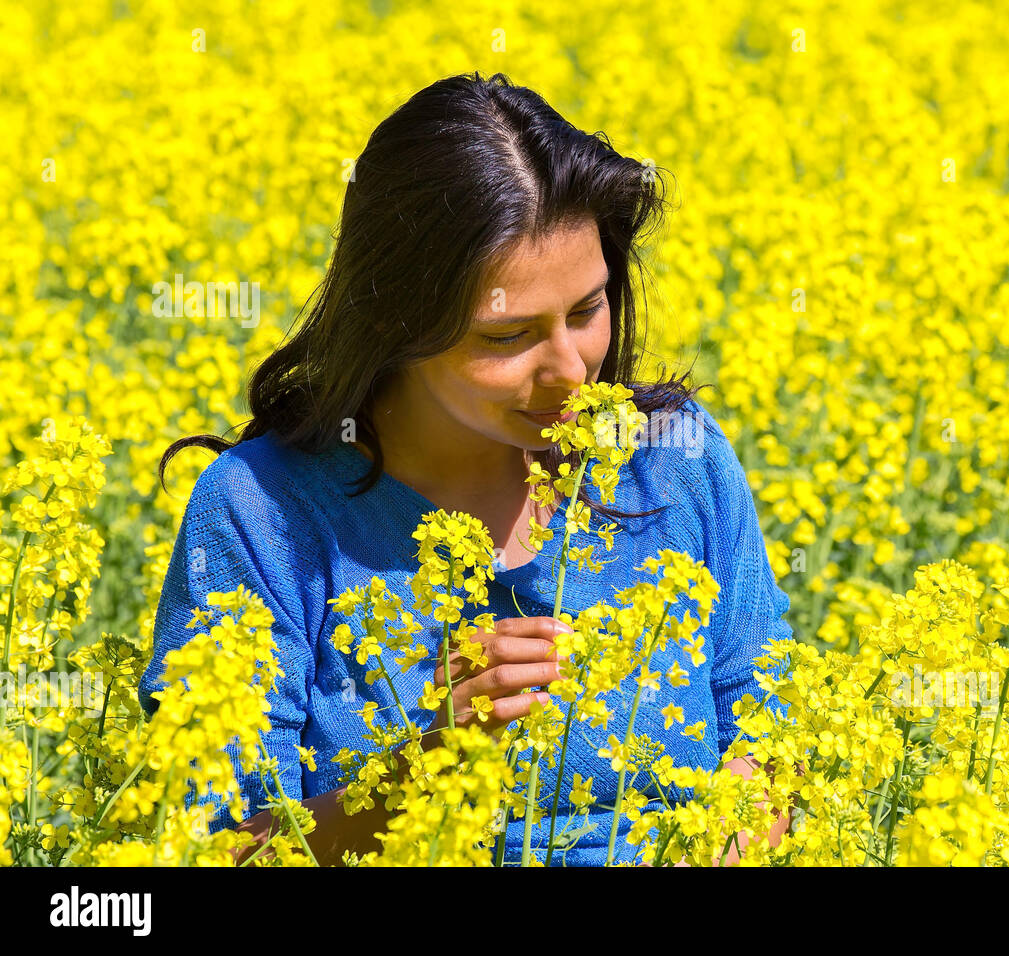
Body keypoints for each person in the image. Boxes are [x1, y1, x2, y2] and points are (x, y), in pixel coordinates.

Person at [139, 71, 792, 866]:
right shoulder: (263, 513)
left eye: (586, 310)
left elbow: (770, 731)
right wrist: (429, 762)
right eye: (507, 337)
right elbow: (215, 852)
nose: (572, 373)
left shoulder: (674, 460)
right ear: (398, 321)